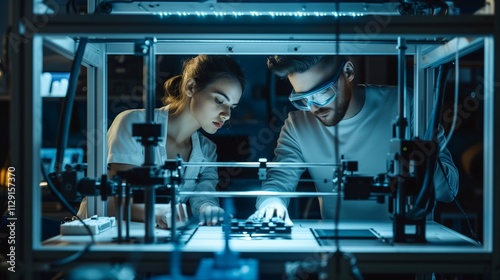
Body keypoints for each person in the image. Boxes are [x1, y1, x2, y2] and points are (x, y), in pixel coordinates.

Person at [254, 55, 459, 224]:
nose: (314, 107)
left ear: (348, 72)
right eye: (303, 99)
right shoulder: (298, 126)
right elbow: (278, 182)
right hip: (339, 257)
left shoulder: (407, 105)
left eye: (322, 93)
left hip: (408, 254)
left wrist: (422, 149)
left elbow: (447, 192)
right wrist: (272, 203)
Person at [77, 55, 245, 228]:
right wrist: (164, 213)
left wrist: (208, 209)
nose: (226, 114)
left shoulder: (207, 150)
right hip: (98, 236)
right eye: (219, 100)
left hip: (154, 239)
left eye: (232, 107)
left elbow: (203, 196)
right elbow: (125, 197)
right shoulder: (133, 123)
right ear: (191, 87)